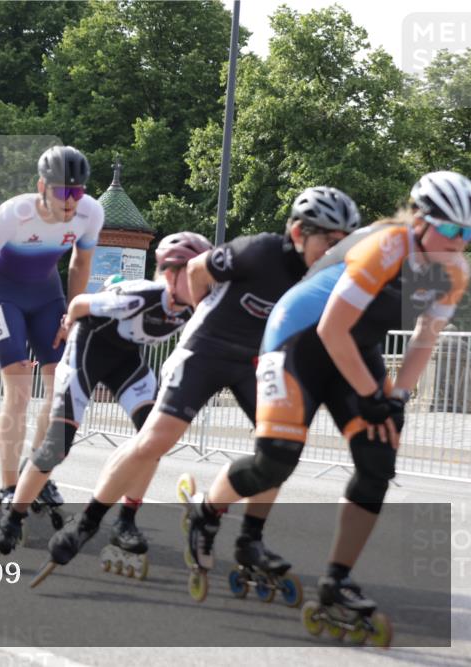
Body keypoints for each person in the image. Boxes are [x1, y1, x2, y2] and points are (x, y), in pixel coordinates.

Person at [186, 171, 469, 625]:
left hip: (352, 351)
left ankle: (337, 581)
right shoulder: (386, 246)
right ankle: (205, 513)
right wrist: (370, 394)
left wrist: (395, 397)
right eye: (452, 229)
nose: (459, 241)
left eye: (469, 233)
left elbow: (424, 338)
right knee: (275, 460)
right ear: (419, 219)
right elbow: (330, 327)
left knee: (378, 458)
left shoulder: (454, 270)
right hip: (296, 341)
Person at [37, 186, 361, 576]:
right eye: (328, 241)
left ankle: (249, 539)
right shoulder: (259, 251)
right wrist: (202, 310)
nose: (334, 252)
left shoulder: (323, 276)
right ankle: (88, 521)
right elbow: (195, 269)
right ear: (298, 234)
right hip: (205, 351)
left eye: (341, 243)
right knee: (155, 440)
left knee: (280, 448)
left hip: (254, 362)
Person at [0, 233, 212, 560]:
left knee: (153, 441)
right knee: (56, 447)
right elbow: (80, 304)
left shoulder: (194, 307)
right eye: (194, 276)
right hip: (85, 356)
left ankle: (126, 522)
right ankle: (12, 519)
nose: (202, 285)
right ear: (168, 274)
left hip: (126, 362)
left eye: (205, 277)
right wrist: (66, 326)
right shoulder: (137, 297)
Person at [0, 146, 103, 513]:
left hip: (46, 298)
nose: (71, 201)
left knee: (60, 395)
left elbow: (80, 264)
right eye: (62, 191)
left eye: (78, 191)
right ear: (43, 186)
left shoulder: (90, 212)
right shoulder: (15, 213)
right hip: (2, 297)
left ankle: (37, 473)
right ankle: (9, 487)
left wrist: (73, 315)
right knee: (20, 391)